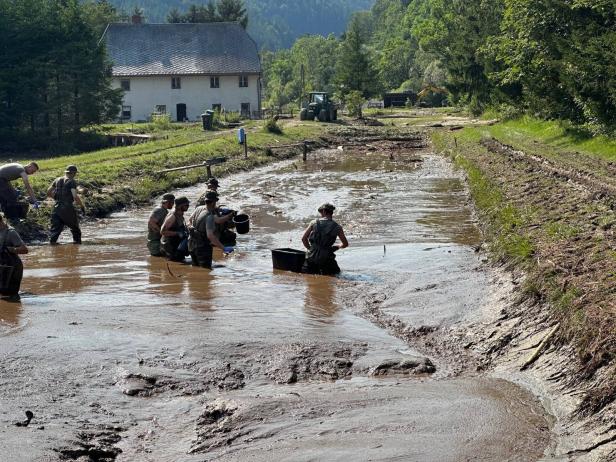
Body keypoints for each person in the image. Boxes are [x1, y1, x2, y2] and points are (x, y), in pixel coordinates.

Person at [188, 192, 235, 269]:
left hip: (191, 245)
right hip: (203, 247)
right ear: (213, 202)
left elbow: (189, 220)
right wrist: (224, 248)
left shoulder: (198, 209)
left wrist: (192, 228)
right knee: (206, 271)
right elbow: (210, 236)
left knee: (195, 268)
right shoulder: (209, 216)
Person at [301, 203, 348, 275]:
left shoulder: (314, 223)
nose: (321, 215)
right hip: (327, 257)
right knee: (336, 274)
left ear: (324, 212)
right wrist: (338, 246)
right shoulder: (337, 227)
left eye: (321, 213)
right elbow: (345, 244)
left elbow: (304, 239)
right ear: (331, 213)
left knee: (308, 278)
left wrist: (310, 249)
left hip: (312, 257)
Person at [47, 165, 84, 244]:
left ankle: (52, 245)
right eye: (75, 173)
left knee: (55, 230)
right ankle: (77, 244)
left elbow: (48, 192)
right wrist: (82, 206)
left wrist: (56, 199)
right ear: (73, 173)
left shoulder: (57, 179)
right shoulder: (71, 181)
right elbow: (75, 196)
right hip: (67, 208)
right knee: (75, 229)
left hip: (56, 208)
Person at [0, 213, 28, 299]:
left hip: (12, 268)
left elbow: (24, 249)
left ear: (0, 221)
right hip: (1, 267)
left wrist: (11, 249)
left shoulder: (11, 233)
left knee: (11, 295)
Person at [160, 196, 190, 262]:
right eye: (186, 205)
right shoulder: (172, 216)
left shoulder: (180, 213)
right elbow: (162, 231)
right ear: (180, 206)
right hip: (170, 247)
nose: (188, 206)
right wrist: (178, 233)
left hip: (176, 244)